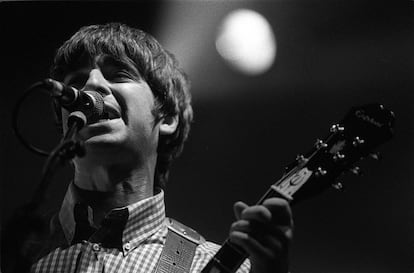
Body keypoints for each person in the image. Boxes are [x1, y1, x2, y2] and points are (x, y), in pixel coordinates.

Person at [14, 23, 294, 273]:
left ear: (167, 117)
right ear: (64, 123)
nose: (92, 85)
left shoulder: (212, 264)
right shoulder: (13, 257)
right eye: (76, 81)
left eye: (118, 75)